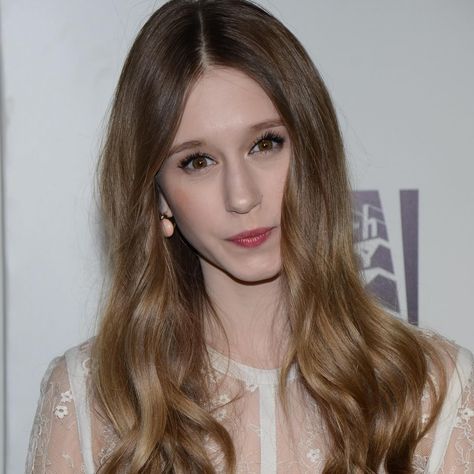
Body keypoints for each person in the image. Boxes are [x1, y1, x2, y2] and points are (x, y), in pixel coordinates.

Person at [25, 0, 473, 473]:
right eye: (197, 161)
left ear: (311, 154)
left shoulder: (434, 394)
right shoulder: (89, 400)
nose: (241, 196)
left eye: (265, 144)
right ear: (158, 196)